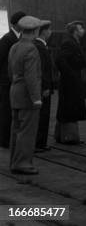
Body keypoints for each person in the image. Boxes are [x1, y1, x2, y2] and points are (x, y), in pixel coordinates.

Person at [8, 15, 43, 175]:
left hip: (15, 92)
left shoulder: (14, 47)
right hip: (27, 96)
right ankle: (23, 163)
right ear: (35, 31)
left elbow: (10, 72)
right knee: (27, 131)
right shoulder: (31, 49)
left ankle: (14, 161)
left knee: (16, 129)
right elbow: (31, 76)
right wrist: (36, 98)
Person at [55, 21, 86, 144]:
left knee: (66, 107)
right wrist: (70, 74)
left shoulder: (73, 41)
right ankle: (70, 137)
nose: (83, 30)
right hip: (70, 82)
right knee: (70, 107)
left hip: (70, 80)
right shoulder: (69, 43)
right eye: (81, 28)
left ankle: (61, 135)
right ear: (75, 31)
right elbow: (60, 60)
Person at [0, 11, 25, 148]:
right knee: (6, 111)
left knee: (13, 111)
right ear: (18, 23)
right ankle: (4, 140)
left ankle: (11, 138)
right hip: (6, 82)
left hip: (14, 81)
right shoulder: (7, 39)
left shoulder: (19, 38)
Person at [34, 21, 53, 152]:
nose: (51, 32)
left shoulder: (40, 45)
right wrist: (46, 87)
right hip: (43, 88)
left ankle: (40, 142)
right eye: (49, 30)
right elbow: (43, 70)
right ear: (45, 31)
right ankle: (39, 143)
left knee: (43, 116)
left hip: (42, 86)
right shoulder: (40, 47)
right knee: (43, 115)